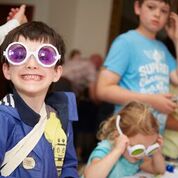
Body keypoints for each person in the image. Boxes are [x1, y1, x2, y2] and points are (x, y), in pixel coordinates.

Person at [0, 21, 79, 178]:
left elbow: (68, 166)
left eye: (45, 56)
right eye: (19, 55)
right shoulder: (3, 119)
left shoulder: (60, 117)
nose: (31, 64)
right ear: (7, 69)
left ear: (57, 72)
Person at [96, 0, 178, 134]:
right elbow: (103, 89)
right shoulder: (125, 42)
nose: (157, 14)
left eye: (164, 11)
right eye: (151, 7)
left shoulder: (162, 48)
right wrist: (152, 101)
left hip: (153, 137)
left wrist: (176, 39)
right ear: (137, 7)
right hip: (128, 134)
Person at [83, 101, 165, 178]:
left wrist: (156, 152)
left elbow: (158, 170)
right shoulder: (106, 149)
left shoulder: (136, 157)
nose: (141, 155)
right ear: (118, 136)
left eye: (149, 149)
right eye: (137, 149)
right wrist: (117, 151)